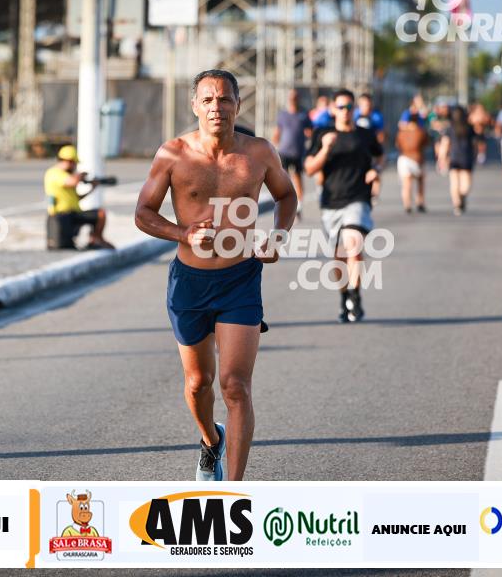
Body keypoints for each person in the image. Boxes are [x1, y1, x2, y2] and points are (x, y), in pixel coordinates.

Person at [135, 69, 297, 481]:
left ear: (238, 105)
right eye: (207, 99)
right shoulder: (173, 154)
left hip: (240, 279)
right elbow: (143, 213)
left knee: (235, 385)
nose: (216, 107)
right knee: (197, 382)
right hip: (189, 282)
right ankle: (211, 440)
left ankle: (234, 493)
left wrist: (277, 237)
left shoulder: (259, 153)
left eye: (224, 99)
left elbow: (286, 195)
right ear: (194, 105)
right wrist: (183, 234)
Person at [304, 88, 383, 323]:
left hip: (358, 198)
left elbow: (380, 156)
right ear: (333, 109)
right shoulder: (322, 134)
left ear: (354, 109)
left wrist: (375, 170)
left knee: (353, 246)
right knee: (338, 257)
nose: (345, 111)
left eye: (349, 107)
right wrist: (326, 148)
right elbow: (309, 168)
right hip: (331, 202)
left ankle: (355, 296)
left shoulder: (365, 134)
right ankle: (344, 297)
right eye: (341, 107)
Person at [44, 145, 114, 249]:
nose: (75, 167)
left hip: (73, 214)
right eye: (74, 163)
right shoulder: (54, 173)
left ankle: (94, 240)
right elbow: (72, 181)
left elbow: (77, 198)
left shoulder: (66, 175)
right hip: (62, 215)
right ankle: (96, 238)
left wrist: (92, 187)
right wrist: (81, 176)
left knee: (100, 214)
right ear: (69, 161)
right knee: (101, 214)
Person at [272, 88, 312, 218]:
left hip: (298, 152)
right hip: (284, 152)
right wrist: (272, 146)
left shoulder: (304, 114)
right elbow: (277, 132)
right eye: (291, 97)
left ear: (298, 99)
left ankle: (299, 205)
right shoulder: (283, 115)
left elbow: (310, 131)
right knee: (283, 179)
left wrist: (308, 143)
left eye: (295, 97)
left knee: (298, 178)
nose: (293, 99)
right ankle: (285, 205)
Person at [438, 106, 476, 216]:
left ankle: (457, 203)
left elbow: (445, 144)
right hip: (466, 158)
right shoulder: (469, 128)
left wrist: (442, 158)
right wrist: (475, 155)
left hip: (454, 158)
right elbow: (474, 144)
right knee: (466, 184)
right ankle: (461, 199)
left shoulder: (450, 129)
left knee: (454, 183)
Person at [395, 119, 430, 214]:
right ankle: (420, 202)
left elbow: (398, 145)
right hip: (418, 159)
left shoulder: (401, 133)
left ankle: (407, 204)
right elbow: (426, 144)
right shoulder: (421, 132)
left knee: (406, 184)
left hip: (404, 159)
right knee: (420, 182)